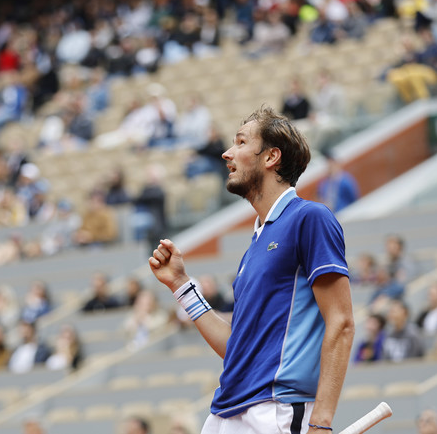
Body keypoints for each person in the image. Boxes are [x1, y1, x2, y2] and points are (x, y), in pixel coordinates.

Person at [149, 107, 355, 432]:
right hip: (225, 411)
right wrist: (180, 284)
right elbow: (237, 347)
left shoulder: (310, 218)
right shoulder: (254, 247)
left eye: (241, 142)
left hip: (277, 408)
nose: (227, 153)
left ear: (271, 156)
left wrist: (321, 422)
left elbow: (341, 323)